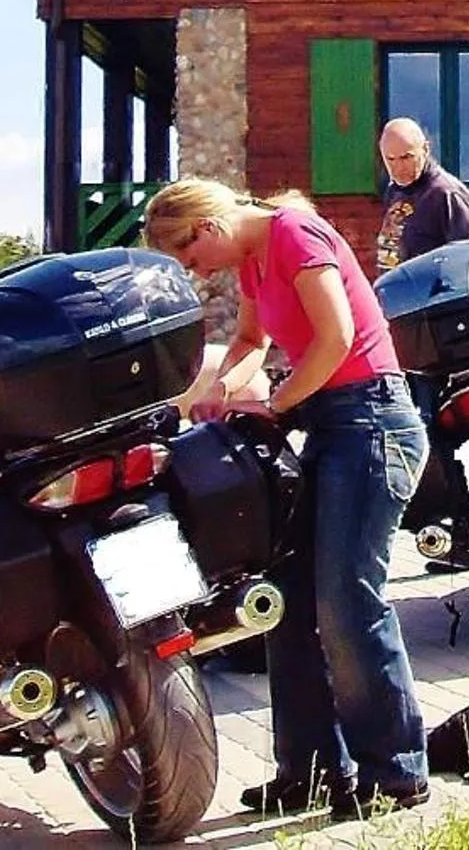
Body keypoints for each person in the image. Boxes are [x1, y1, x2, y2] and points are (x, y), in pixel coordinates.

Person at [143, 177, 431, 820]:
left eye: (191, 259)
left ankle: (396, 772)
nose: (197, 271)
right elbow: (251, 343)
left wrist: (273, 402)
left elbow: (335, 337)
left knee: (348, 601)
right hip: (327, 422)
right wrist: (222, 390)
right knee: (289, 603)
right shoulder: (253, 260)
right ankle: (311, 773)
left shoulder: (295, 235)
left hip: (370, 422)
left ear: (208, 227)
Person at [376, 118, 469, 271]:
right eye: (390, 159)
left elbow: (466, 261)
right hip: (394, 289)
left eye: (407, 157)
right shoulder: (394, 190)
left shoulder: (447, 194)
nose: (398, 168)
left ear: (425, 149)